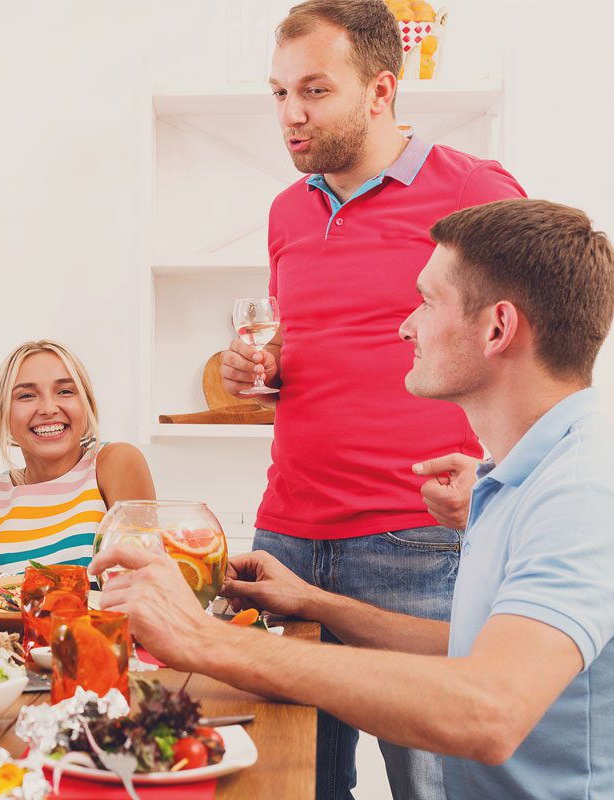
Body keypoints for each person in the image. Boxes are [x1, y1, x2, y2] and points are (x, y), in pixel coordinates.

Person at [98, 198, 614, 800]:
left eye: (425, 301)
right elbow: (476, 648)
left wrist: (201, 637)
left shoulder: (583, 487)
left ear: (497, 328)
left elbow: (489, 710)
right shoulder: (514, 477)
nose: (404, 327)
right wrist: (315, 602)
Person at [217, 2, 525, 796]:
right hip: (284, 534)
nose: (291, 114)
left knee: (433, 788)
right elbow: (311, 346)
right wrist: (258, 370)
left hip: (415, 544)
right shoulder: (288, 210)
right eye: (280, 92)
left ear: (381, 90)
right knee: (285, 781)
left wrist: (503, 479)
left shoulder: (476, 192)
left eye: (315, 91)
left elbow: (535, 343)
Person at [0, 340, 155, 574]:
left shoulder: (115, 463)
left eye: (65, 391)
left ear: (87, 404)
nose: (49, 408)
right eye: (27, 396)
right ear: (4, 413)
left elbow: (146, 582)